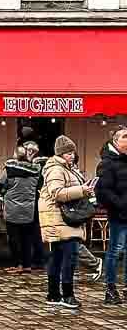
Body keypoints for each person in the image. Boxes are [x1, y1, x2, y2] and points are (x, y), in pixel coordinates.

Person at [39, 135, 93, 312]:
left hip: (59, 219)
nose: (72, 155)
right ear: (60, 154)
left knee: (57, 257)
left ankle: (53, 294)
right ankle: (67, 295)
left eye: (72, 152)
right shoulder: (56, 169)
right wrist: (82, 190)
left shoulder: (65, 168)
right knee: (69, 257)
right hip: (60, 219)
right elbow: (57, 193)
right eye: (68, 153)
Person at [0, 145, 43, 273]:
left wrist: (5, 193)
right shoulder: (35, 171)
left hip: (12, 209)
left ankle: (17, 264)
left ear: (16, 155)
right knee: (27, 238)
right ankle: (27, 265)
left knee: (14, 239)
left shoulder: (9, 170)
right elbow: (40, 186)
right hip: (29, 208)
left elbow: (0, 185)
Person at [95, 126, 127, 304]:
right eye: (125, 137)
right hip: (119, 216)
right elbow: (103, 191)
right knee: (115, 251)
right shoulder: (107, 163)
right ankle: (111, 288)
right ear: (115, 141)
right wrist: (120, 205)